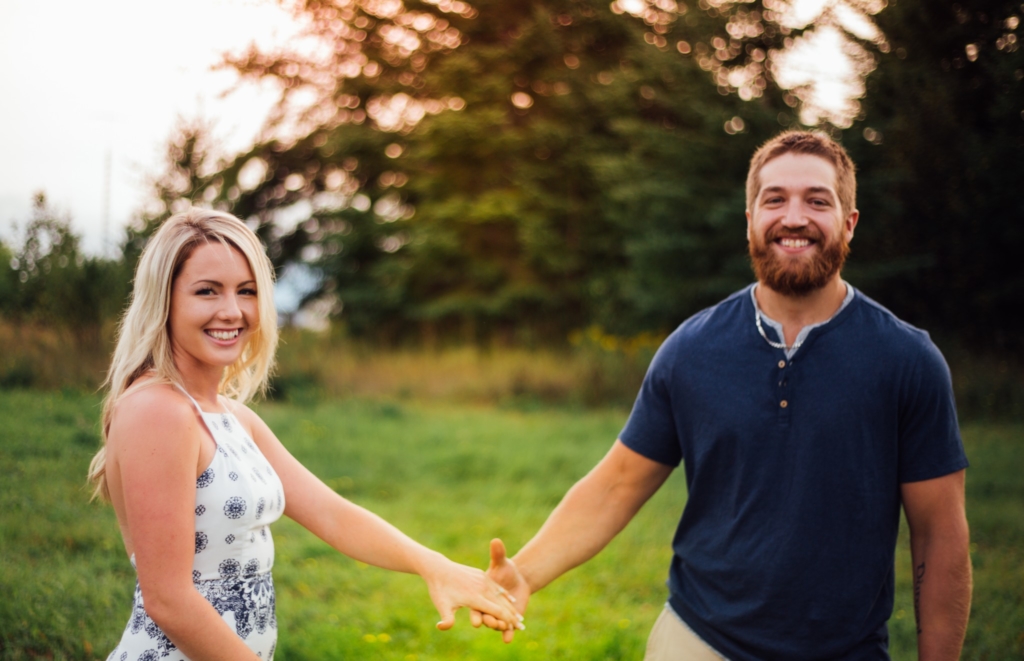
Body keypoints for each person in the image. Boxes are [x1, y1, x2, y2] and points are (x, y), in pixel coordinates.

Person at [479, 131, 972, 660]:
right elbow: (617, 484)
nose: (794, 217)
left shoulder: (906, 359)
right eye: (775, 199)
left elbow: (939, 533)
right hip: (698, 640)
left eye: (817, 200)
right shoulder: (691, 350)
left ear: (849, 222)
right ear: (750, 219)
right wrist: (524, 572)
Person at [88, 209, 521, 660]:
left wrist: (436, 567)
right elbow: (169, 601)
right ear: (165, 301)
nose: (233, 311)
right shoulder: (157, 410)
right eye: (206, 292)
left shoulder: (233, 417)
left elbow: (331, 514)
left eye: (247, 292)